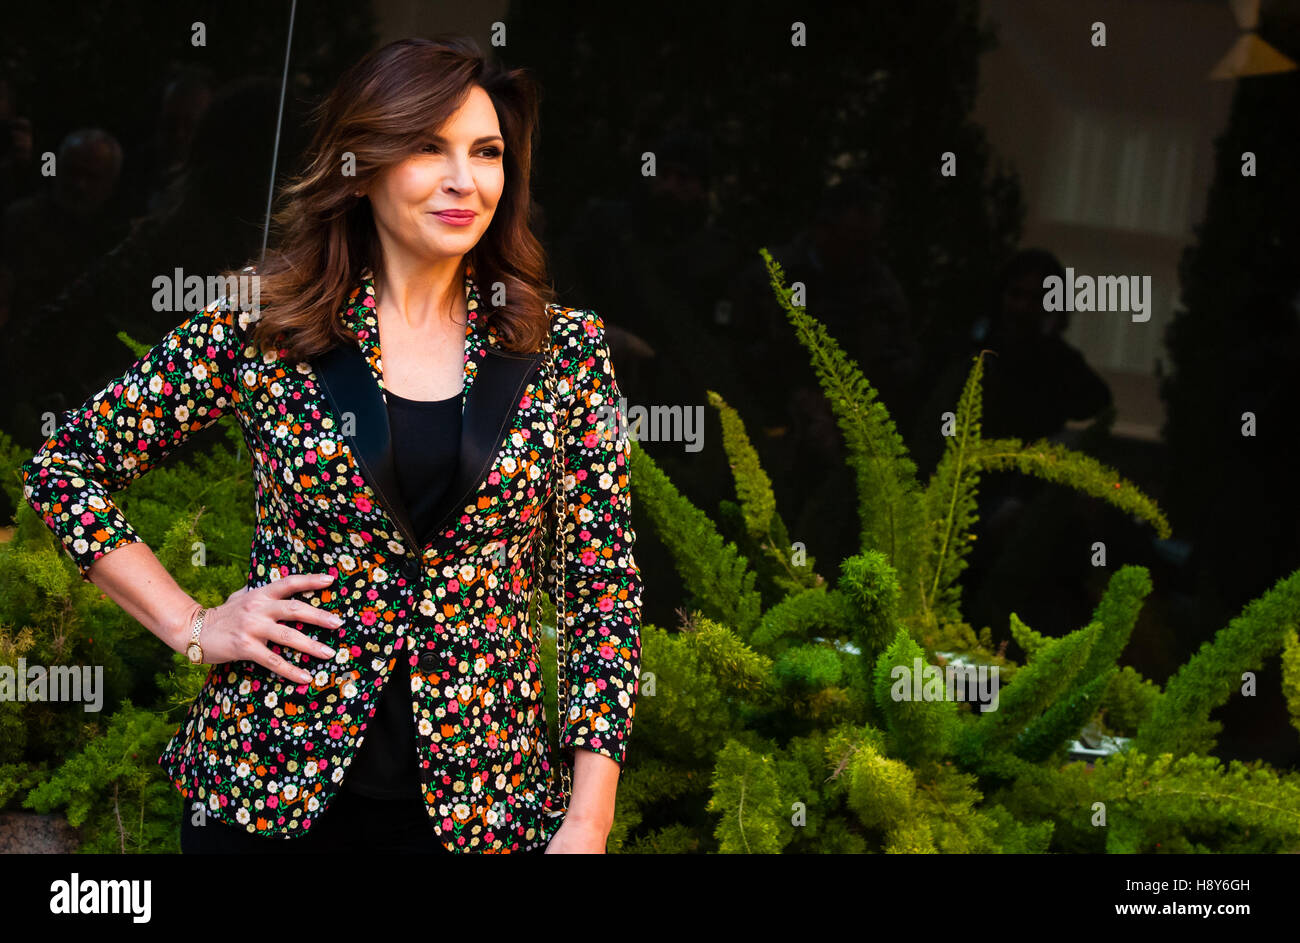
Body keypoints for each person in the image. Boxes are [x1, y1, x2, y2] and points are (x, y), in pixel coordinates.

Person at [19, 36, 643, 854]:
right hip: (269, 788)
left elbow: (601, 589)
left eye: (486, 152)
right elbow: (66, 466)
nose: (466, 179)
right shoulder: (268, 328)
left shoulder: (563, 351)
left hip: (488, 809)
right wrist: (196, 624)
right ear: (364, 162)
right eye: (429, 146)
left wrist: (587, 820)